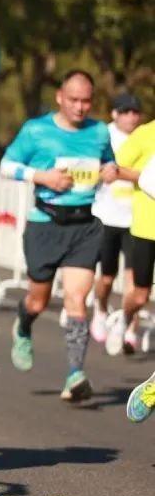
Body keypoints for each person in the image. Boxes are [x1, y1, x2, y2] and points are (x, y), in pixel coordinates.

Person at [0, 70, 116, 401]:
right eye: (74, 100)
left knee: (77, 299)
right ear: (60, 98)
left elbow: (109, 164)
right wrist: (43, 177)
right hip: (45, 224)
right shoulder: (36, 130)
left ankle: (75, 374)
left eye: (86, 101)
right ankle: (24, 324)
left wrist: (110, 170)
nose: (80, 107)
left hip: (84, 225)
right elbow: (6, 165)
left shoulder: (99, 132)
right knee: (38, 300)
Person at [91, 94, 141, 349]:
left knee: (135, 281)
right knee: (107, 278)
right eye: (126, 111)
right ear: (115, 114)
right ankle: (100, 309)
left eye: (135, 112)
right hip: (106, 216)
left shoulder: (143, 137)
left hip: (136, 220)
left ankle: (129, 327)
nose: (131, 117)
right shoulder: (103, 136)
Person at [108, 102, 155, 356]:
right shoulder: (145, 134)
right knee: (139, 296)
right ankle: (123, 322)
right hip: (146, 228)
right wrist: (146, 178)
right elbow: (114, 168)